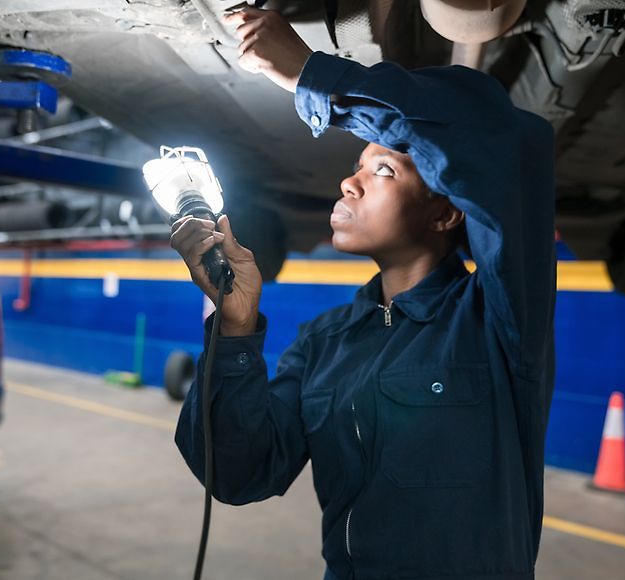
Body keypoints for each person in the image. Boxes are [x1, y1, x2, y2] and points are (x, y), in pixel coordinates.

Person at [172, 7, 556, 580]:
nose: (347, 181)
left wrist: (312, 73)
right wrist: (235, 328)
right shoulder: (325, 342)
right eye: (357, 166)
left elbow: (496, 141)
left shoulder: (497, 321)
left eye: (383, 171)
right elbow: (239, 473)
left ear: (447, 212)